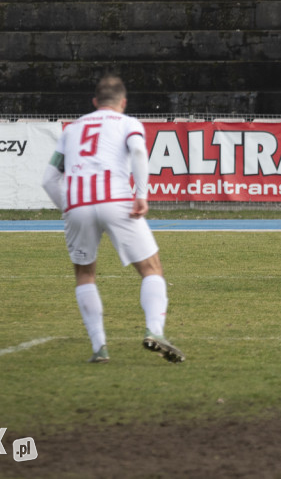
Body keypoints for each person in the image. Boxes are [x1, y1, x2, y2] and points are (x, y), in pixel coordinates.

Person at [41, 75, 184, 364]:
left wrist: (68, 208)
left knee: (85, 274)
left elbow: (48, 179)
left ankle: (99, 348)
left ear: (94, 102)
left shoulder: (73, 128)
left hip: (78, 203)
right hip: (117, 201)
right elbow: (139, 151)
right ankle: (154, 330)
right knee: (151, 268)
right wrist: (141, 194)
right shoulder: (128, 123)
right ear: (123, 102)